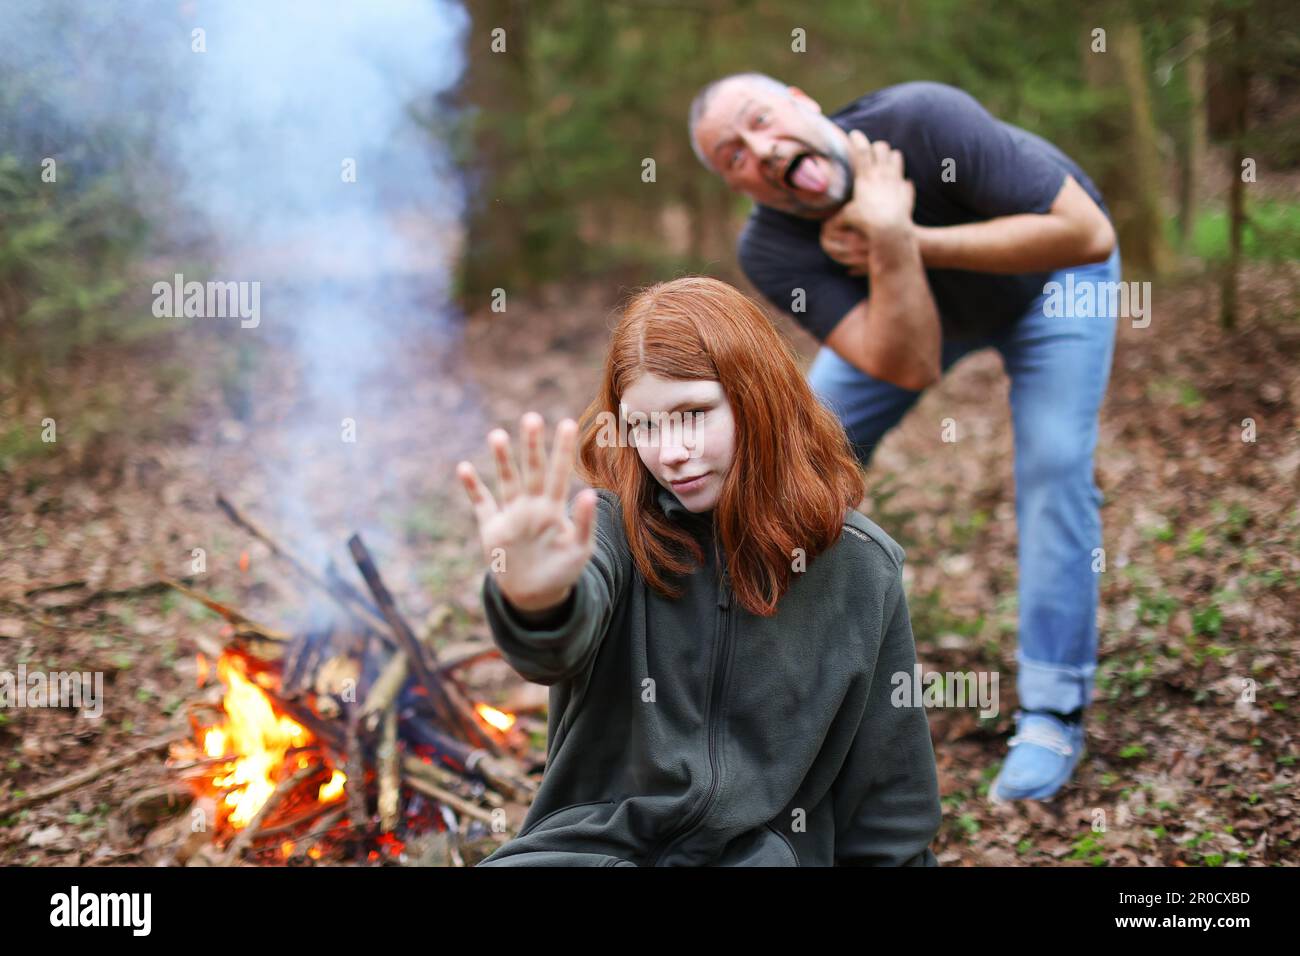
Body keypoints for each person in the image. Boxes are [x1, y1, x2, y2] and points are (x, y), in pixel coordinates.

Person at [688, 73, 1121, 801]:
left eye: (762, 120)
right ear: (740, 187)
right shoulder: (771, 249)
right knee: (792, 450)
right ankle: (740, 679)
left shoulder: (922, 120)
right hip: (920, 319)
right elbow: (909, 363)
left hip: (1056, 282)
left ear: (801, 99)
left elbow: (1088, 234)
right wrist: (892, 250)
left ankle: (1053, 709)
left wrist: (904, 234)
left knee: (1053, 464)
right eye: (734, 155)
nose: (761, 150)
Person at [457, 276, 941, 866]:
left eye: (693, 414)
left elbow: (890, 800)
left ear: (758, 398)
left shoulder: (862, 568)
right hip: (587, 851)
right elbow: (553, 649)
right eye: (643, 426)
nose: (669, 453)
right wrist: (537, 600)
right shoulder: (608, 529)